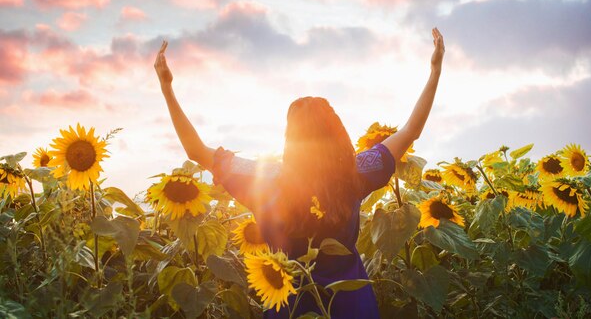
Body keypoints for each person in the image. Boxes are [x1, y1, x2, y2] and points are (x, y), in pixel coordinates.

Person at [154, 27, 445, 318]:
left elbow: (196, 151)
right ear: (337, 133)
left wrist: (167, 89)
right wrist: (434, 71)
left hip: (288, 303)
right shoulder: (356, 172)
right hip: (351, 303)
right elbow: (410, 131)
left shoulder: (263, 179)